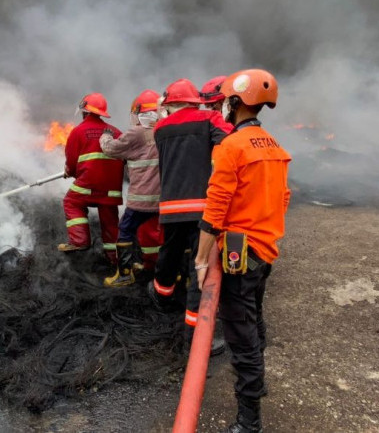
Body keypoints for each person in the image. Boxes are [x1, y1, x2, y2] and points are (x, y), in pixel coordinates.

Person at [193, 69, 291, 433]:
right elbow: (283, 199)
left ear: (235, 101)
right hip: (265, 251)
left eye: (225, 101)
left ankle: (249, 422)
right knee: (255, 318)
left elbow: (215, 208)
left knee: (241, 334)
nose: (222, 107)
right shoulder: (275, 147)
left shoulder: (231, 147)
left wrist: (202, 259)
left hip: (239, 255)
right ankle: (258, 380)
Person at [147, 78, 232, 352]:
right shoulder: (209, 120)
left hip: (170, 207)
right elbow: (231, 140)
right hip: (201, 207)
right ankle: (195, 336)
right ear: (195, 101)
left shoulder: (160, 128)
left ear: (169, 105)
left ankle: (162, 295)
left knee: (169, 255)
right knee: (201, 267)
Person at [99, 89, 162, 287]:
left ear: (138, 113)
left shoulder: (137, 132)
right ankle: (166, 271)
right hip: (164, 199)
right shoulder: (164, 130)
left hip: (142, 199)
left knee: (125, 230)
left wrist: (105, 137)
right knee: (166, 234)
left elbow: (111, 149)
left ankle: (124, 274)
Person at [58, 93, 125, 270]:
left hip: (87, 186)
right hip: (111, 189)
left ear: (84, 112)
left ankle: (79, 240)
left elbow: (71, 162)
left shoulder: (78, 131)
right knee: (110, 222)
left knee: (71, 201)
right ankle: (115, 259)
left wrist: (70, 172)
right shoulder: (116, 132)